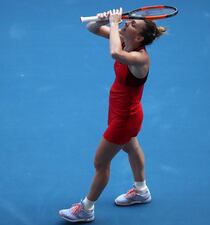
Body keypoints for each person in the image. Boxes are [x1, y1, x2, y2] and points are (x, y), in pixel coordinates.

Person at [59, 8, 166, 223]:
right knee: (131, 147)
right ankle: (141, 190)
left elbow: (115, 54)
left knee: (100, 163)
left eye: (133, 25)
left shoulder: (139, 57)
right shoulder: (126, 41)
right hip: (121, 111)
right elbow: (92, 29)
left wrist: (115, 24)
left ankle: (86, 208)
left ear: (138, 37)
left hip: (125, 118)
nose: (128, 24)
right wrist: (101, 20)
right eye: (129, 22)